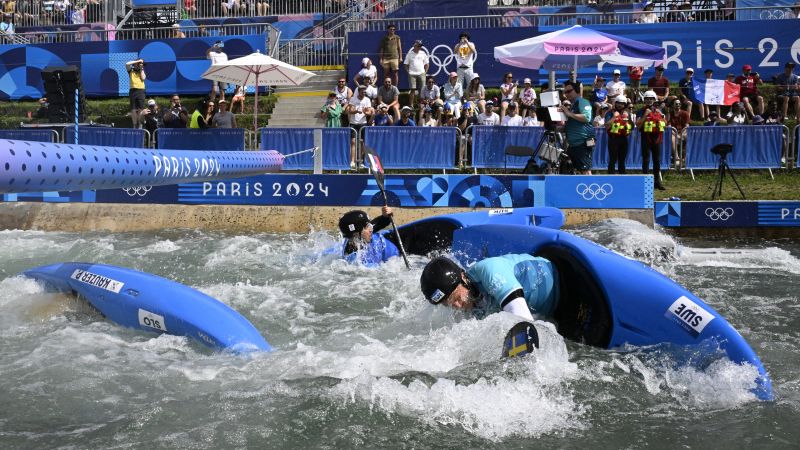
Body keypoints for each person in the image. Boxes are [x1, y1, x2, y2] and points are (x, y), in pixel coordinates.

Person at [419, 255, 558, 322]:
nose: (456, 305)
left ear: (463, 278)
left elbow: (521, 316)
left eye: (455, 297)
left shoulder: (489, 270)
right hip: (553, 316)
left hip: (567, 283)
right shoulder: (473, 308)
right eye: (447, 303)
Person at [560, 81, 595, 175]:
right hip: (574, 145)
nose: (566, 94)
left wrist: (568, 113)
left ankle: (589, 188)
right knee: (570, 169)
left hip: (583, 142)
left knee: (585, 170)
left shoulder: (582, 101)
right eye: (565, 92)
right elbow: (573, 124)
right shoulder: (573, 105)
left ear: (576, 91)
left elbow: (586, 117)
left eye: (569, 91)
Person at [636, 90, 666, 190]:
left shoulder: (658, 110)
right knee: (646, 159)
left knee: (657, 161)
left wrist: (661, 115)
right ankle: (646, 183)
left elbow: (665, 123)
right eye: (647, 99)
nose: (649, 100)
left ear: (654, 100)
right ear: (644, 100)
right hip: (646, 137)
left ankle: (657, 182)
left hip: (657, 138)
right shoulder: (641, 111)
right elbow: (638, 125)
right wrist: (645, 115)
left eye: (651, 99)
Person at [347, 85, 373, 169]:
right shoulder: (353, 99)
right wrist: (356, 111)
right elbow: (350, 111)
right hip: (353, 122)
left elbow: (369, 112)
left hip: (363, 123)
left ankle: (361, 161)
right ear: (359, 91)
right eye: (362, 92)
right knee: (353, 142)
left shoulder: (367, 100)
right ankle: (352, 161)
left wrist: (366, 112)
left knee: (362, 142)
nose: (364, 93)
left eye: (365, 92)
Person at [604, 96, 633, 174]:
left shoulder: (627, 113)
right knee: (613, 159)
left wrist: (628, 118)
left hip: (624, 138)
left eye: (622, 103)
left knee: (622, 159)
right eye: (618, 103)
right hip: (613, 139)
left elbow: (632, 126)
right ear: (615, 103)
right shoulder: (610, 113)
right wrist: (614, 117)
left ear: (625, 105)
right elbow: (606, 126)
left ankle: (622, 176)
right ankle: (611, 176)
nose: (620, 105)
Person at [403, 39, 429, 108]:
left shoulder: (423, 53)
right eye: (418, 46)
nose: (419, 47)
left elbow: (427, 64)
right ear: (414, 46)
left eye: (420, 46)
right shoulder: (410, 53)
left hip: (421, 73)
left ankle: (421, 104)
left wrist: (425, 72)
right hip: (412, 74)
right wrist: (408, 72)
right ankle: (411, 105)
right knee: (412, 90)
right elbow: (405, 64)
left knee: (422, 89)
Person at [667, 98, 690, 169]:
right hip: (674, 132)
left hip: (683, 131)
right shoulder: (670, 114)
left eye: (679, 104)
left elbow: (687, 126)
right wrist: (676, 134)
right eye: (676, 104)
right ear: (673, 105)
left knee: (688, 137)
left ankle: (686, 158)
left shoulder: (685, 113)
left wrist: (681, 135)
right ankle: (677, 158)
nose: (678, 105)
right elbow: (669, 126)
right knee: (672, 138)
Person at [125, 58, 146, 129]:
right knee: (133, 109)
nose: (140, 65)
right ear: (135, 64)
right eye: (138, 64)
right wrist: (138, 61)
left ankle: (140, 125)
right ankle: (134, 125)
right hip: (133, 90)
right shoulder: (131, 70)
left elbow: (143, 78)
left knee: (141, 108)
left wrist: (141, 68)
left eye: (141, 64)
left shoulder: (141, 70)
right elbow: (127, 64)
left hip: (141, 90)